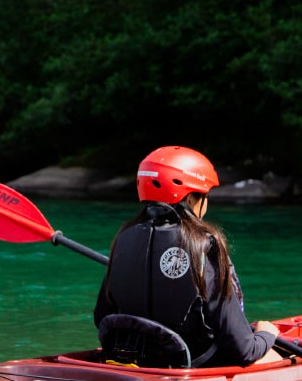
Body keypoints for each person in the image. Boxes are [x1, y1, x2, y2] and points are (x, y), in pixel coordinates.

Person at [93, 145, 281, 367]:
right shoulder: (204, 245)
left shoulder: (124, 238)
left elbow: (101, 317)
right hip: (189, 364)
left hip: (133, 359)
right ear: (191, 199)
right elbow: (244, 351)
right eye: (205, 196)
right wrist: (267, 335)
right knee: (273, 357)